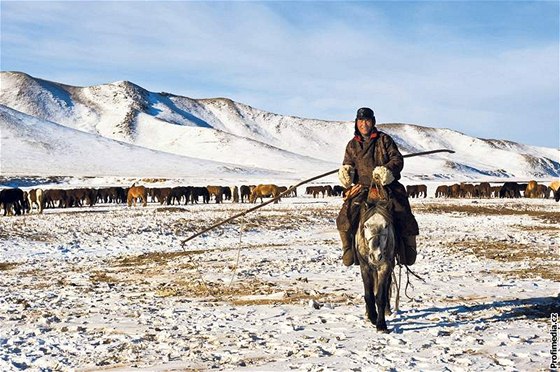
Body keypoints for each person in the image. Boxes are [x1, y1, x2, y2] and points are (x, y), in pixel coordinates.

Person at [336, 107, 419, 266]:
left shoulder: (384, 140)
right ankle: (348, 249)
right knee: (344, 216)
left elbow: (397, 160)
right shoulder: (352, 145)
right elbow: (348, 163)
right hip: (362, 188)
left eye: (367, 120)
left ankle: (408, 248)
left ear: (372, 122)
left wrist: (387, 171)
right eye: (360, 121)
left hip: (386, 187)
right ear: (356, 123)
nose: (363, 124)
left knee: (402, 212)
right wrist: (346, 172)